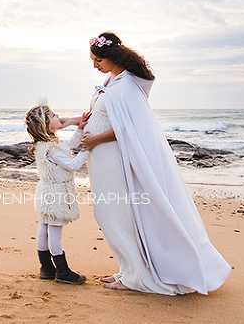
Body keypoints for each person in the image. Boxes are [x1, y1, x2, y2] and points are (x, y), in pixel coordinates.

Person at [81, 32, 230, 295]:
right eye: (93, 59)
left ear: (113, 57)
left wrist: (95, 140)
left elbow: (128, 126)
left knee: (115, 214)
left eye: (98, 59)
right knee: (108, 214)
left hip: (112, 157)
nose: (95, 65)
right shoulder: (112, 79)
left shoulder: (126, 85)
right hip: (100, 158)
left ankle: (137, 276)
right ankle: (128, 270)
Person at [25, 102, 90, 285]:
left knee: (44, 229)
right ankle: (63, 271)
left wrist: (81, 128)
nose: (57, 116)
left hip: (46, 192)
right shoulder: (51, 148)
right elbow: (73, 165)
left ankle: (46, 268)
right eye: (53, 116)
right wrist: (88, 150)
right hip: (56, 196)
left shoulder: (46, 143)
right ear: (45, 125)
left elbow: (70, 144)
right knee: (54, 234)